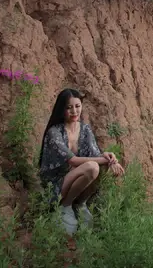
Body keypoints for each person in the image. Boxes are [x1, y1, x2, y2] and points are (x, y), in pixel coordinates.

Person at [38, 88, 125, 234]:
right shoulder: (55, 132)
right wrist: (105, 159)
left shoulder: (85, 129)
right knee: (93, 167)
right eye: (69, 107)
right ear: (62, 109)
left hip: (74, 180)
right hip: (56, 185)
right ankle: (65, 206)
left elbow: (95, 154)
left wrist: (110, 159)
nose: (74, 111)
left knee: (100, 167)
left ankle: (80, 204)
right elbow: (73, 160)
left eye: (77, 106)